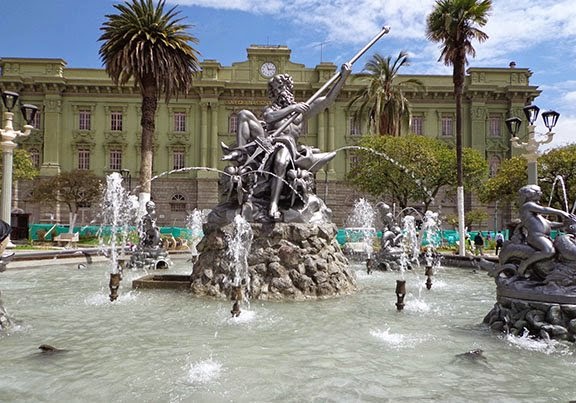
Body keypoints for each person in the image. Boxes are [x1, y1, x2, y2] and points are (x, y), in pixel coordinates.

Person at [224, 63, 352, 220]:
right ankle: (241, 153)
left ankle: (273, 204)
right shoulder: (272, 109)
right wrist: (292, 108)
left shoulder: (302, 111)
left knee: (281, 161)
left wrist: (343, 76)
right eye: (276, 89)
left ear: (289, 88)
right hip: (270, 141)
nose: (280, 91)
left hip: (288, 146)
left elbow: (328, 99)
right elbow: (269, 118)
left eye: (282, 87)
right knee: (244, 114)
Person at [517, 184, 573, 275]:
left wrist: (564, 224)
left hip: (545, 237)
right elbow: (543, 209)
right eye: (538, 192)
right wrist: (560, 212)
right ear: (530, 193)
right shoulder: (527, 206)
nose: (541, 193)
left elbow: (550, 224)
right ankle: (524, 264)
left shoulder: (536, 215)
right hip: (536, 236)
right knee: (549, 251)